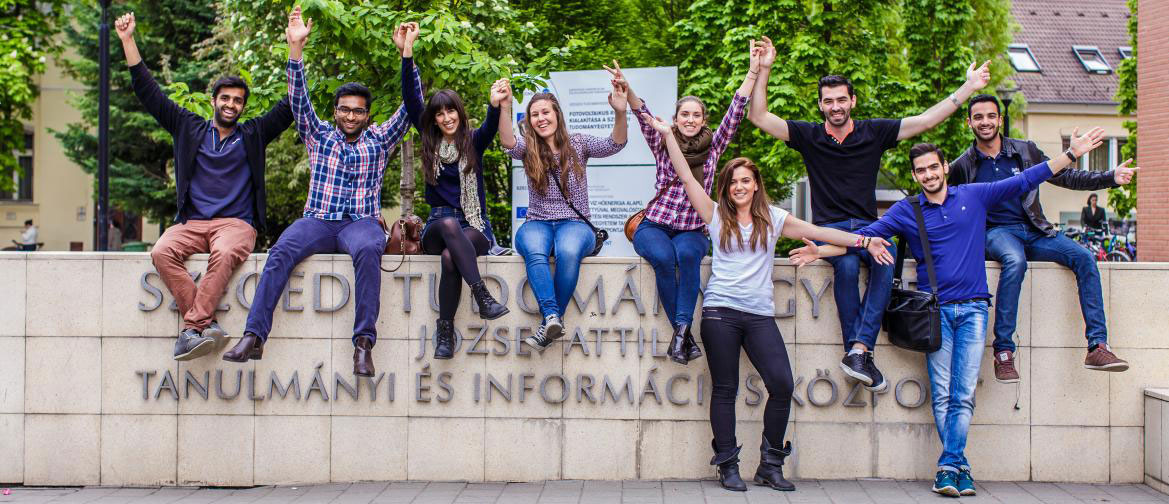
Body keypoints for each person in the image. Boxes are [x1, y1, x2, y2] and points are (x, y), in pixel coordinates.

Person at [790, 130, 1116, 497]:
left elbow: (1028, 177)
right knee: (944, 394)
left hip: (975, 309)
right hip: (936, 312)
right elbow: (866, 237)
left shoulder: (973, 196)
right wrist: (821, 251)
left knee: (962, 394)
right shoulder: (907, 211)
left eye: (933, 167)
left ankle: (948, 466)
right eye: (921, 170)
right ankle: (955, 468)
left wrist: (1071, 154)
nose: (928, 175)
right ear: (914, 175)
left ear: (945, 167)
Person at [644, 114, 893, 492]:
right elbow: (686, 175)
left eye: (747, 180)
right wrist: (668, 136)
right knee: (725, 389)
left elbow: (819, 231)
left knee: (782, 384)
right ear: (725, 188)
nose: (740, 187)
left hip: (759, 315)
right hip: (720, 313)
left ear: (756, 184)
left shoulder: (773, 218)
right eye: (733, 182)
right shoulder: (713, 215)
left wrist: (864, 241)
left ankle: (770, 464)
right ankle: (727, 464)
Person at [748, 36, 991, 392]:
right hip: (829, 229)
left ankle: (859, 349)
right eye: (828, 101)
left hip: (868, 226)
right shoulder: (809, 136)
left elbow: (924, 121)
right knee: (846, 268)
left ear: (852, 101)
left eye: (841, 99)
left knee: (885, 257)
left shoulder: (874, 132)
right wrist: (764, 69)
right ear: (820, 105)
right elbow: (759, 116)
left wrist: (968, 88)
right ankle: (858, 352)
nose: (835, 106)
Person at [223, 7, 409, 376]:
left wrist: (407, 55)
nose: (351, 116)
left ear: (368, 115)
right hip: (318, 221)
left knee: (371, 249)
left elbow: (412, 108)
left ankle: (363, 344)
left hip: (361, 222)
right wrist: (295, 50)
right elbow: (298, 99)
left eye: (358, 111)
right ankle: (253, 336)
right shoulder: (318, 134)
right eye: (344, 110)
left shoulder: (380, 139)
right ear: (336, 111)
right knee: (280, 251)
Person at [115, 12, 293, 361]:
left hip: (236, 224)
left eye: (238, 100)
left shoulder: (253, 134)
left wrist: (295, 48)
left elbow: (289, 106)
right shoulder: (188, 127)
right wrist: (127, 41)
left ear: (243, 106)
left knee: (225, 254)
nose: (231, 105)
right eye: (225, 98)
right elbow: (148, 92)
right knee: (161, 251)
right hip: (193, 222)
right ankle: (205, 325)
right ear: (214, 100)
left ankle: (192, 329)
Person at [949, 95, 1135, 383]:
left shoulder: (1025, 151)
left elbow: (1067, 177)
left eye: (990, 116)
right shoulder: (963, 165)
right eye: (978, 117)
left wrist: (1110, 177)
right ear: (969, 122)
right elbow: (949, 208)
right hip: (995, 233)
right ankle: (1003, 352)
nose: (984, 122)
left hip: (1036, 230)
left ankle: (1098, 346)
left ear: (1000, 120)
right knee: (1015, 260)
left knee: (1084, 257)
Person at [604, 44, 757, 365]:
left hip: (692, 229)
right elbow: (641, 113)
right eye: (684, 114)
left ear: (704, 120)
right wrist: (627, 88)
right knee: (662, 257)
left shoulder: (714, 145)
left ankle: (680, 335)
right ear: (675, 118)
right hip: (654, 224)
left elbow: (737, 108)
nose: (690, 119)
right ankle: (683, 333)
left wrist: (753, 71)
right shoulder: (663, 139)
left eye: (696, 115)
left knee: (686, 256)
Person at [398, 22, 510, 359]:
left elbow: (492, 125)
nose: (446, 117)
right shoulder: (430, 142)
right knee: (446, 229)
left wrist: (495, 104)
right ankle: (482, 295)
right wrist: (407, 51)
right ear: (433, 119)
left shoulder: (474, 142)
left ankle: (444, 333)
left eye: (451, 111)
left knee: (451, 259)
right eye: (440, 112)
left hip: (474, 227)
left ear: (459, 113)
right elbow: (409, 96)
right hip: (438, 225)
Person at [498, 80, 628, 350]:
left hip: (575, 223)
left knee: (568, 251)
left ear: (557, 113)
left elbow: (615, 144)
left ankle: (549, 324)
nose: (541, 118)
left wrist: (619, 111)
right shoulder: (529, 148)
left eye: (545, 112)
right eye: (535, 114)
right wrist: (506, 106)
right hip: (538, 222)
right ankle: (552, 317)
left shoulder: (578, 143)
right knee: (534, 250)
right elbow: (508, 141)